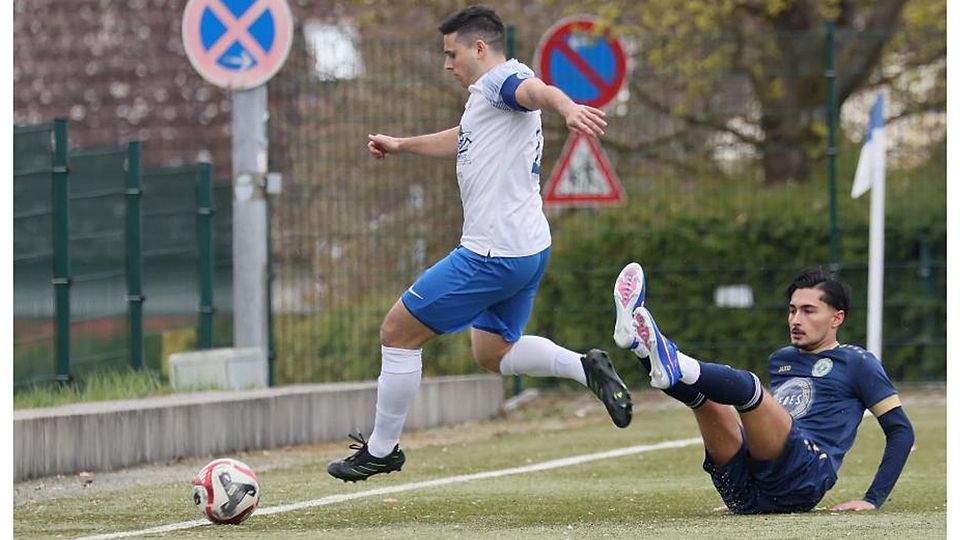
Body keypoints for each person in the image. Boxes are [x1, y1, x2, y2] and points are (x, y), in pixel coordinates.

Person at [327, 5, 632, 482]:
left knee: (397, 334)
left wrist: (567, 106)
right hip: (528, 249)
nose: (447, 64)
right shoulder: (486, 99)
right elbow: (465, 137)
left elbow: (535, 92)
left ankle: (382, 449)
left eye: (452, 54)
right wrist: (403, 145)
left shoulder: (502, 81)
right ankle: (584, 366)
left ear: (479, 48)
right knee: (492, 353)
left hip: (490, 254)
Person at [612, 263, 914, 513]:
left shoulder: (858, 362)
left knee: (748, 389)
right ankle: (639, 347)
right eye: (792, 310)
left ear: (837, 318)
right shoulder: (781, 359)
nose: (796, 319)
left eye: (809, 311)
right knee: (705, 401)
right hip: (747, 492)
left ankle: (672, 357)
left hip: (805, 477)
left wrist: (872, 499)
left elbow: (901, 430)